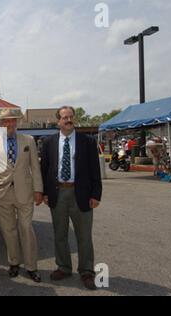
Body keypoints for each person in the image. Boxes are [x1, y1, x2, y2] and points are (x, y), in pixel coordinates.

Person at [41, 106, 102, 291]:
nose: (68, 120)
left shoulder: (87, 141)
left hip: (81, 194)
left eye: (70, 117)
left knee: (84, 236)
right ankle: (63, 267)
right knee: (60, 234)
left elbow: (95, 170)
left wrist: (96, 194)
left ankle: (86, 271)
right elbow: (45, 169)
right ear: (58, 121)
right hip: (58, 193)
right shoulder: (49, 142)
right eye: (64, 117)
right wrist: (44, 192)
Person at [0, 109, 43, 282]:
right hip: (2, 193)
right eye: (6, 121)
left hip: (25, 192)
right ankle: (13, 263)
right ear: (1, 124)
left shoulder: (28, 141)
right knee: (8, 231)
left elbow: (35, 167)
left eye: (13, 120)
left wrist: (38, 190)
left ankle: (31, 266)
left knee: (26, 228)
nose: (10, 124)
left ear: (17, 122)